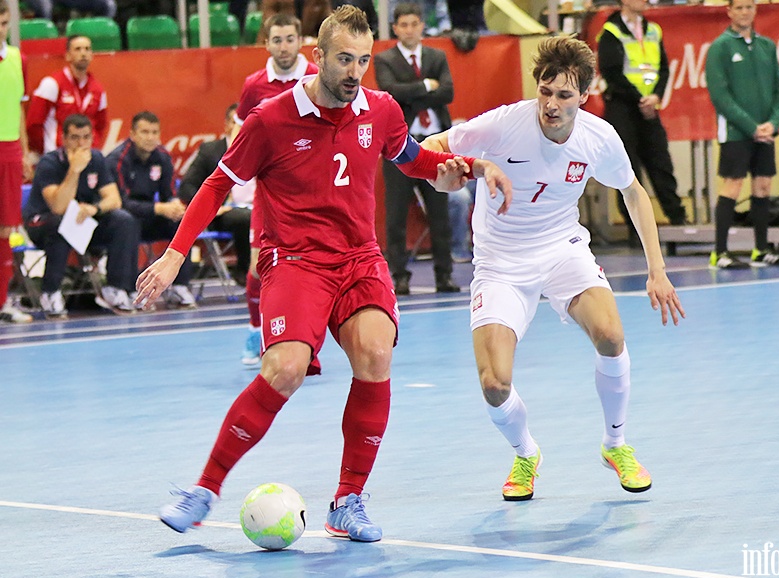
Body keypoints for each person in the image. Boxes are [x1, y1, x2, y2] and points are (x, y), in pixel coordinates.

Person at [136, 5, 512, 542]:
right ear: (318, 57)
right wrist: (175, 253)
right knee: (285, 369)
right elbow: (218, 184)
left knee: (376, 353)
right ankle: (205, 488)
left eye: (362, 60)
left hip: (359, 257)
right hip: (294, 259)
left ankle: (348, 500)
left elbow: (412, 159)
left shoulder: (380, 110)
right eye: (343, 59)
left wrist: (465, 172)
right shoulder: (269, 118)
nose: (354, 71)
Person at [422, 37, 684, 502]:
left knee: (611, 335)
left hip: (562, 248)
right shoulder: (507, 123)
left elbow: (634, 193)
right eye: (546, 91)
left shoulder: (599, 137)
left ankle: (615, 444)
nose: (551, 104)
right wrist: (444, 167)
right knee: (494, 384)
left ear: (584, 95)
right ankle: (526, 454)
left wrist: (656, 270)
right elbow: (434, 145)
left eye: (564, 95)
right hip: (500, 262)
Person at [236, 13, 319, 367]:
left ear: (300, 40)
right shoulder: (254, 85)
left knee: (316, 265)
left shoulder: (317, 77)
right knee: (258, 268)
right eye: (277, 39)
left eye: (289, 39)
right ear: (266, 43)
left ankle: (307, 339)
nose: (283, 46)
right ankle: (257, 329)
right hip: (270, 191)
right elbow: (241, 137)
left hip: (315, 191)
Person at [375, 2, 459, 295]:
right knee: (395, 214)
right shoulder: (384, 59)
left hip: (435, 143)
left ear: (422, 25)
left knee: (440, 213)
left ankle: (444, 274)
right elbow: (389, 93)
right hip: (400, 145)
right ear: (395, 28)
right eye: (403, 25)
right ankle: (399, 276)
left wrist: (411, 95)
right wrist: (426, 86)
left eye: (414, 23)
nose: (409, 30)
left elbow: (447, 91)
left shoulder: (437, 56)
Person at [705, 0, 779, 269]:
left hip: (764, 133)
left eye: (749, 7)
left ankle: (761, 249)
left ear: (755, 10)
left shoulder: (767, 46)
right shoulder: (720, 47)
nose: (745, 12)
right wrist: (750, 126)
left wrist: (772, 123)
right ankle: (719, 253)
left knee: (763, 185)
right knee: (733, 185)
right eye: (739, 7)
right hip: (735, 132)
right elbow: (720, 96)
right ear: (729, 11)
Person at [23, 114, 140, 317]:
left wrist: (94, 209)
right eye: (76, 137)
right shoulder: (49, 163)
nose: (81, 143)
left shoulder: (96, 159)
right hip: (42, 223)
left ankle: (115, 288)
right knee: (60, 223)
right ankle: (50, 292)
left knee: (124, 220)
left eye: (86, 137)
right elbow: (58, 206)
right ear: (65, 139)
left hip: (81, 223)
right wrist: (74, 170)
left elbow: (113, 199)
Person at [597, 0, 686, 243]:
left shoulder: (653, 30)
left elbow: (664, 68)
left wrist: (655, 96)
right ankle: (635, 230)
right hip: (623, 107)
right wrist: (640, 99)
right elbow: (611, 72)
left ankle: (679, 221)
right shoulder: (611, 31)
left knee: (661, 162)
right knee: (628, 168)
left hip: (649, 107)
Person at [106, 111, 196, 308]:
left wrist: (174, 206)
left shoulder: (162, 157)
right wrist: (159, 208)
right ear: (132, 134)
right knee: (126, 221)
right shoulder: (118, 159)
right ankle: (123, 288)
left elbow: (169, 194)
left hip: (150, 216)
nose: (150, 137)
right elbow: (120, 202)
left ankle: (179, 286)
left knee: (182, 220)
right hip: (122, 218)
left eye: (154, 132)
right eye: (144, 132)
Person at [178, 103, 253, 286]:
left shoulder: (263, 148)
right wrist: (216, 205)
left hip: (259, 206)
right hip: (224, 213)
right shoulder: (209, 151)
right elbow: (186, 187)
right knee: (247, 218)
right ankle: (246, 272)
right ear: (228, 125)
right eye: (238, 122)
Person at [0, 0, 35, 324]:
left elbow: (21, 111)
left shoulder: (16, 59)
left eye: (2, 24)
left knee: (7, 228)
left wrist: (23, 152)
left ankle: (2, 300)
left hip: (8, 149)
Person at [26, 35, 108, 156]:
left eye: (87, 49)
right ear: (68, 55)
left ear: (92, 55)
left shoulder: (98, 90)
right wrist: (48, 151)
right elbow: (34, 124)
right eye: (78, 49)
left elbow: (100, 126)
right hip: (56, 155)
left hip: (85, 156)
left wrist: (92, 146)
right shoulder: (52, 84)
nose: (83, 53)